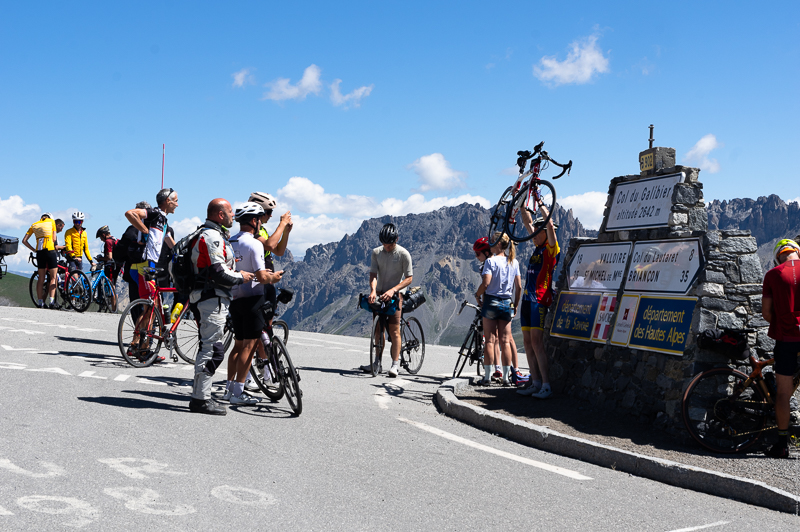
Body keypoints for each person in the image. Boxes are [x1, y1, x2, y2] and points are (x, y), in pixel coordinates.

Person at [188, 198, 254, 415]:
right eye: (229, 212)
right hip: (211, 299)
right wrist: (241, 277)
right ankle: (200, 400)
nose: (233, 216)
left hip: (208, 298)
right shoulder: (212, 237)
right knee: (212, 350)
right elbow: (219, 271)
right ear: (219, 215)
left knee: (210, 348)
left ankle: (201, 397)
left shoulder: (206, 234)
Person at [225, 202, 284, 405]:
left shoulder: (229, 242)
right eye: (260, 219)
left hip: (235, 299)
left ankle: (228, 388)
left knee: (237, 346)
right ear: (254, 221)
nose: (261, 223)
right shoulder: (255, 244)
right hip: (254, 299)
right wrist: (272, 278)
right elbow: (259, 275)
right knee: (249, 348)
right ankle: (239, 392)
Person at [761, 238, 800, 458]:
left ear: (778, 255)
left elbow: (766, 313)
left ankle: (782, 444)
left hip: (786, 339)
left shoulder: (773, 274)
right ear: (796, 251)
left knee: (783, 394)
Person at [516, 207, 560, 399]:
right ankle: (535, 382)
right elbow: (527, 222)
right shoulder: (536, 245)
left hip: (539, 300)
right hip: (527, 299)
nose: (533, 234)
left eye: (537, 232)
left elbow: (549, 224)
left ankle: (547, 385)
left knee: (537, 343)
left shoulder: (551, 249)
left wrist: (541, 202)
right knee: (527, 343)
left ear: (545, 233)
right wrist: (522, 203)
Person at [360, 223, 413, 378]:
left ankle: (395, 365)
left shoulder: (404, 254)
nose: (387, 247)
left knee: (394, 329)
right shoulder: (376, 252)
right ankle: (377, 362)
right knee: (378, 329)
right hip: (380, 293)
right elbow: (373, 275)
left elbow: (409, 278)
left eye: (390, 245)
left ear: (396, 240)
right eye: (384, 244)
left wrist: (393, 290)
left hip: (396, 294)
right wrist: (372, 291)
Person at [472, 237, 526, 385]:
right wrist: (515, 305)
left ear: (498, 245)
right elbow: (519, 286)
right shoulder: (514, 262)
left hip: (491, 301)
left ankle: (488, 377)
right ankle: (506, 378)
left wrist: (477, 295)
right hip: (507, 301)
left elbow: (486, 283)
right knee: (505, 341)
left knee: (490, 340)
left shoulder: (491, 261)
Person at [124, 188, 178, 301]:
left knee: (154, 306)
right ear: (168, 201)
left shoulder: (164, 221)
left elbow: (172, 244)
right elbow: (130, 213)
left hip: (150, 266)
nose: (177, 205)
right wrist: (144, 230)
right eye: (176, 201)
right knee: (149, 309)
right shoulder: (154, 213)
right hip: (145, 266)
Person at [22, 213, 59, 309]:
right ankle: (51, 301)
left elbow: (24, 240)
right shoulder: (52, 222)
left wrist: (34, 249)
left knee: (41, 279)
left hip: (40, 252)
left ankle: (40, 302)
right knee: (53, 277)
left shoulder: (34, 224)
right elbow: (54, 239)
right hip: (50, 251)